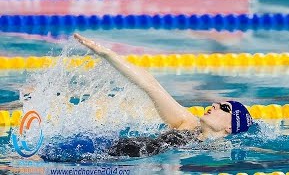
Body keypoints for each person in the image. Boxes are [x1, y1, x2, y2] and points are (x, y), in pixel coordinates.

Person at [39, 33, 253, 161]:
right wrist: (107, 54)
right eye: (218, 103)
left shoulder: (221, 150)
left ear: (230, 128)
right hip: (113, 151)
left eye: (224, 108)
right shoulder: (187, 122)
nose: (215, 105)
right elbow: (151, 86)